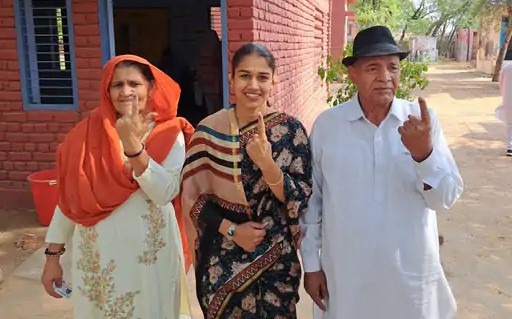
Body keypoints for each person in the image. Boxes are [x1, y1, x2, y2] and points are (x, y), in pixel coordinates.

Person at [300, 26, 464, 319]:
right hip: (348, 277)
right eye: (373, 68)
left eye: (393, 67)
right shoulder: (328, 126)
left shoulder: (420, 123)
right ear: (352, 74)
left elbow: (445, 198)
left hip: (411, 278)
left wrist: (423, 154)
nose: (385, 77)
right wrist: (311, 264)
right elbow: (313, 202)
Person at [40, 55, 194, 319]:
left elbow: (165, 192)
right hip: (100, 256)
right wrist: (52, 256)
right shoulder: (85, 135)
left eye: (134, 83)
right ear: (107, 92)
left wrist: (133, 147)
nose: (126, 91)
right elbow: (71, 198)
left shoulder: (169, 133)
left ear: (151, 88)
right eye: (117, 85)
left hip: (149, 259)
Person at [181, 43, 312, 318]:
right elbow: (194, 200)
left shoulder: (291, 130)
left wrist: (267, 163)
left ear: (274, 80)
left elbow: (299, 198)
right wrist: (232, 231)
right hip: (222, 263)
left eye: (262, 77)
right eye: (244, 75)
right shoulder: (209, 132)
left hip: (276, 263)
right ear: (231, 79)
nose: (253, 85)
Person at [496, 61, 512, 156]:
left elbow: (500, 83)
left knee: (510, 123)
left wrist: (504, 94)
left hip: (508, 98)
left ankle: (510, 147)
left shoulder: (506, 67)